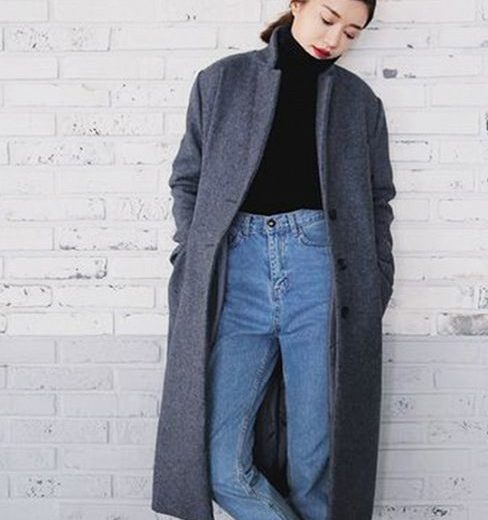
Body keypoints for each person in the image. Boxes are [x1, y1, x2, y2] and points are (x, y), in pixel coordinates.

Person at [152, 1, 396, 519]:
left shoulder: (359, 103)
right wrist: (193, 250)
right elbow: (187, 179)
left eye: (351, 32)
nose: (334, 39)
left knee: (316, 469)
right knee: (219, 465)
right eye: (327, 18)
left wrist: (376, 279)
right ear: (296, 4)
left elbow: (378, 200)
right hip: (235, 274)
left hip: (322, 275)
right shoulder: (222, 81)